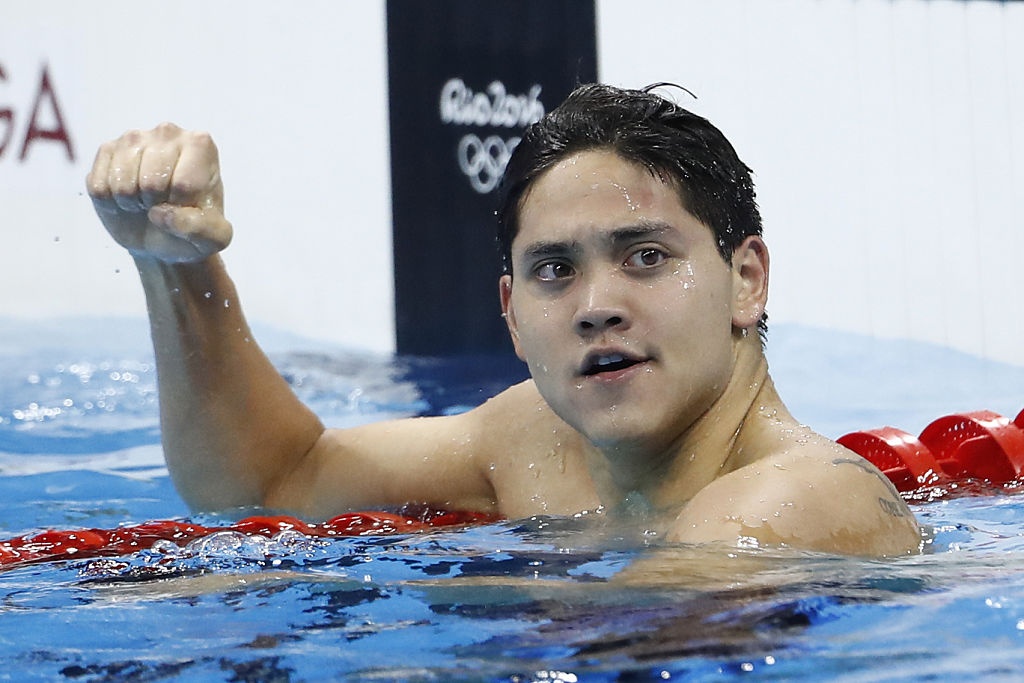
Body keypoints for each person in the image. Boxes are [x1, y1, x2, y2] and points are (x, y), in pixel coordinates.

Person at [85, 83, 921, 557]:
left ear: (746, 280)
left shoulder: (789, 503)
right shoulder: (535, 441)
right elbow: (266, 481)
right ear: (513, 318)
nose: (597, 305)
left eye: (646, 257)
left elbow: (627, 647)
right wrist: (178, 269)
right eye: (556, 270)